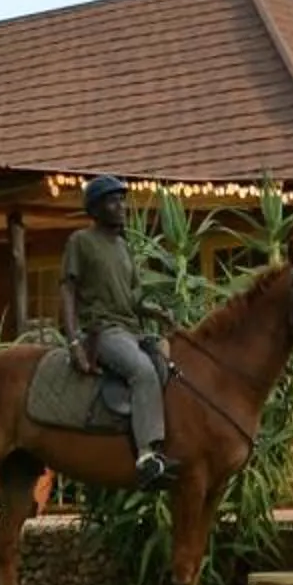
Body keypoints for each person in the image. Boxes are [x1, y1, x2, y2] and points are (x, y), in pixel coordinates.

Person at [60, 175, 176, 489]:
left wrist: (158, 313)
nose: (121, 206)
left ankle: (164, 441)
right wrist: (74, 342)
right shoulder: (80, 241)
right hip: (103, 330)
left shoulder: (123, 247)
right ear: (95, 208)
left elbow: (135, 297)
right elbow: (68, 290)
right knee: (142, 372)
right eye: (113, 200)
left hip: (132, 328)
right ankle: (145, 455)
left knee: (169, 360)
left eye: (122, 199)